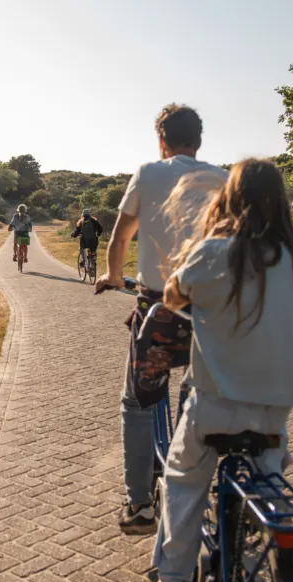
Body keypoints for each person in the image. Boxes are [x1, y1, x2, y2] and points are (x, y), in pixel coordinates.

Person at [142, 159, 293, 582]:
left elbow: (173, 295)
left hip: (215, 406)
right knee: (271, 473)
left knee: (182, 481)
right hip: (275, 413)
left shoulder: (214, 252)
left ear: (229, 199)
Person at [95, 104, 227, 535]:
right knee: (200, 392)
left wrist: (114, 277)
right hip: (211, 310)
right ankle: (196, 474)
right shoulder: (222, 179)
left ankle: (139, 506)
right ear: (200, 142)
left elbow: (120, 236)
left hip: (159, 311)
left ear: (161, 140)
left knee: (135, 401)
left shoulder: (148, 173)